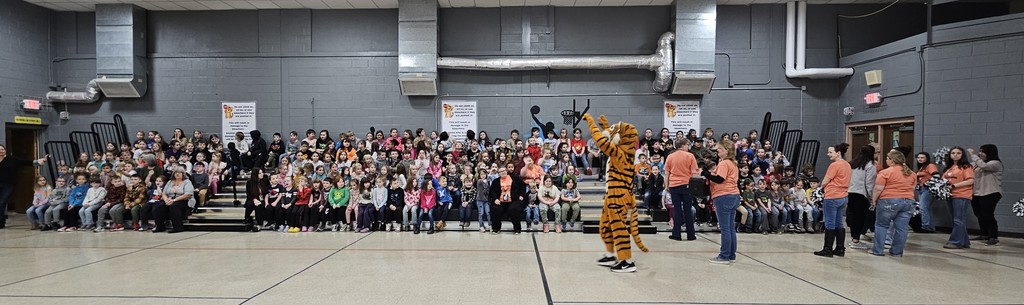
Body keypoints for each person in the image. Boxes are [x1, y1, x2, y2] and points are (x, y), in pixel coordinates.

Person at [868, 150, 917, 257]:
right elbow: (912, 189)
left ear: (892, 161)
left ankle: (878, 250)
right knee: (902, 228)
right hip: (908, 202)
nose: (886, 160)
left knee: (881, 225)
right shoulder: (912, 174)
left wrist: (874, 200)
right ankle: (897, 252)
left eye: (887, 158)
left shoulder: (885, 172)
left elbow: (878, 188)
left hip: (888, 201)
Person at [702, 139, 740, 264]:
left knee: (725, 228)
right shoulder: (733, 163)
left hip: (723, 196)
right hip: (733, 195)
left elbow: (719, 179)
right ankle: (731, 254)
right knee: (730, 228)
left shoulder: (724, 163)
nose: (717, 150)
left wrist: (705, 174)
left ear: (726, 151)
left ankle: (724, 256)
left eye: (719, 149)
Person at [814, 143, 851, 258]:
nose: (828, 154)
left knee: (829, 223)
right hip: (843, 196)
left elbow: (825, 181)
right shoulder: (847, 164)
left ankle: (827, 249)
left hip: (832, 196)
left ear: (838, 153)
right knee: (839, 222)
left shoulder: (834, 165)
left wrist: (822, 188)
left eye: (830, 152)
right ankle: (840, 248)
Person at [0, 145, 48, 228]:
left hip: (8, 184)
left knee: (2, 202)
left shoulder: (12, 159)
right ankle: (2, 220)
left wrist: (39, 161)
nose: (1, 151)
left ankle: (0, 222)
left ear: (5, 150)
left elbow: (26, 162)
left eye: (2, 149)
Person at [664, 139, 700, 241]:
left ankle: (676, 234)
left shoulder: (670, 156)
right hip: (687, 185)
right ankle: (691, 235)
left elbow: (666, 173)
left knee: (677, 209)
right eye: (687, 145)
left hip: (674, 185)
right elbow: (694, 173)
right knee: (688, 210)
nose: (688, 147)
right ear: (683, 145)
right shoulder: (690, 156)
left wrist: (667, 186)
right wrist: (695, 187)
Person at [968, 144, 1003, 246]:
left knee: (988, 214)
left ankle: (994, 237)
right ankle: (984, 234)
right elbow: (968, 167)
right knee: (979, 214)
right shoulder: (977, 163)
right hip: (977, 193)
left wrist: (973, 155)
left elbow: (984, 166)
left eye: (983, 152)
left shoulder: (995, 163)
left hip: (991, 192)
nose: (980, 153)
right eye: (980, 151)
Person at [943, 147, 975, 249]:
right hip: (950, 195)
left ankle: (955, 241)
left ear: (962, 155)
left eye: (958, 153)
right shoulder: (949, 167)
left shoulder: (966, 167)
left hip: (961, 195)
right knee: (956, 219)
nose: (955, 155)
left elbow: (970, 181)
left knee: (958, 219)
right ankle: (964, 241)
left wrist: (954, 186)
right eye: (953, 153)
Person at [846, 145, 877, 250]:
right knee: (860, 218)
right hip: (861, 194)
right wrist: (871, 198)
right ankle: (856, 240)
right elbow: (869, 183)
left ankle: (853, 238)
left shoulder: (852, 164)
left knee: (853, 216)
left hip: (850, 192)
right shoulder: (870, 166)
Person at [489, 164, 526, 234]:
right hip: (501, 201)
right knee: (495, 209)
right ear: (498, 173)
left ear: (506, 171)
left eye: (504, 171)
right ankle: (496, 228)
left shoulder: (515, 178)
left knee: (513, 209)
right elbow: (492, 192)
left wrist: (522, 195)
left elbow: (523, 186)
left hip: (514, 200)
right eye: (500, 171)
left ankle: (517, 229)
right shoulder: (495, 181)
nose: (503, 172)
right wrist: (495, 199)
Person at [915, 152, 939, 233]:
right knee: (927, 208)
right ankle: (930, 227)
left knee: (923, 208)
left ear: (926, 158)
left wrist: (927, 183)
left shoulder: (930, 166)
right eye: (918, 157)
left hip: (927, 189)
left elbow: (936, 176)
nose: (920, 159)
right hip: (921, 189)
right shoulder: (921, 167)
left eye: (922, 157)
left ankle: (925, 226)